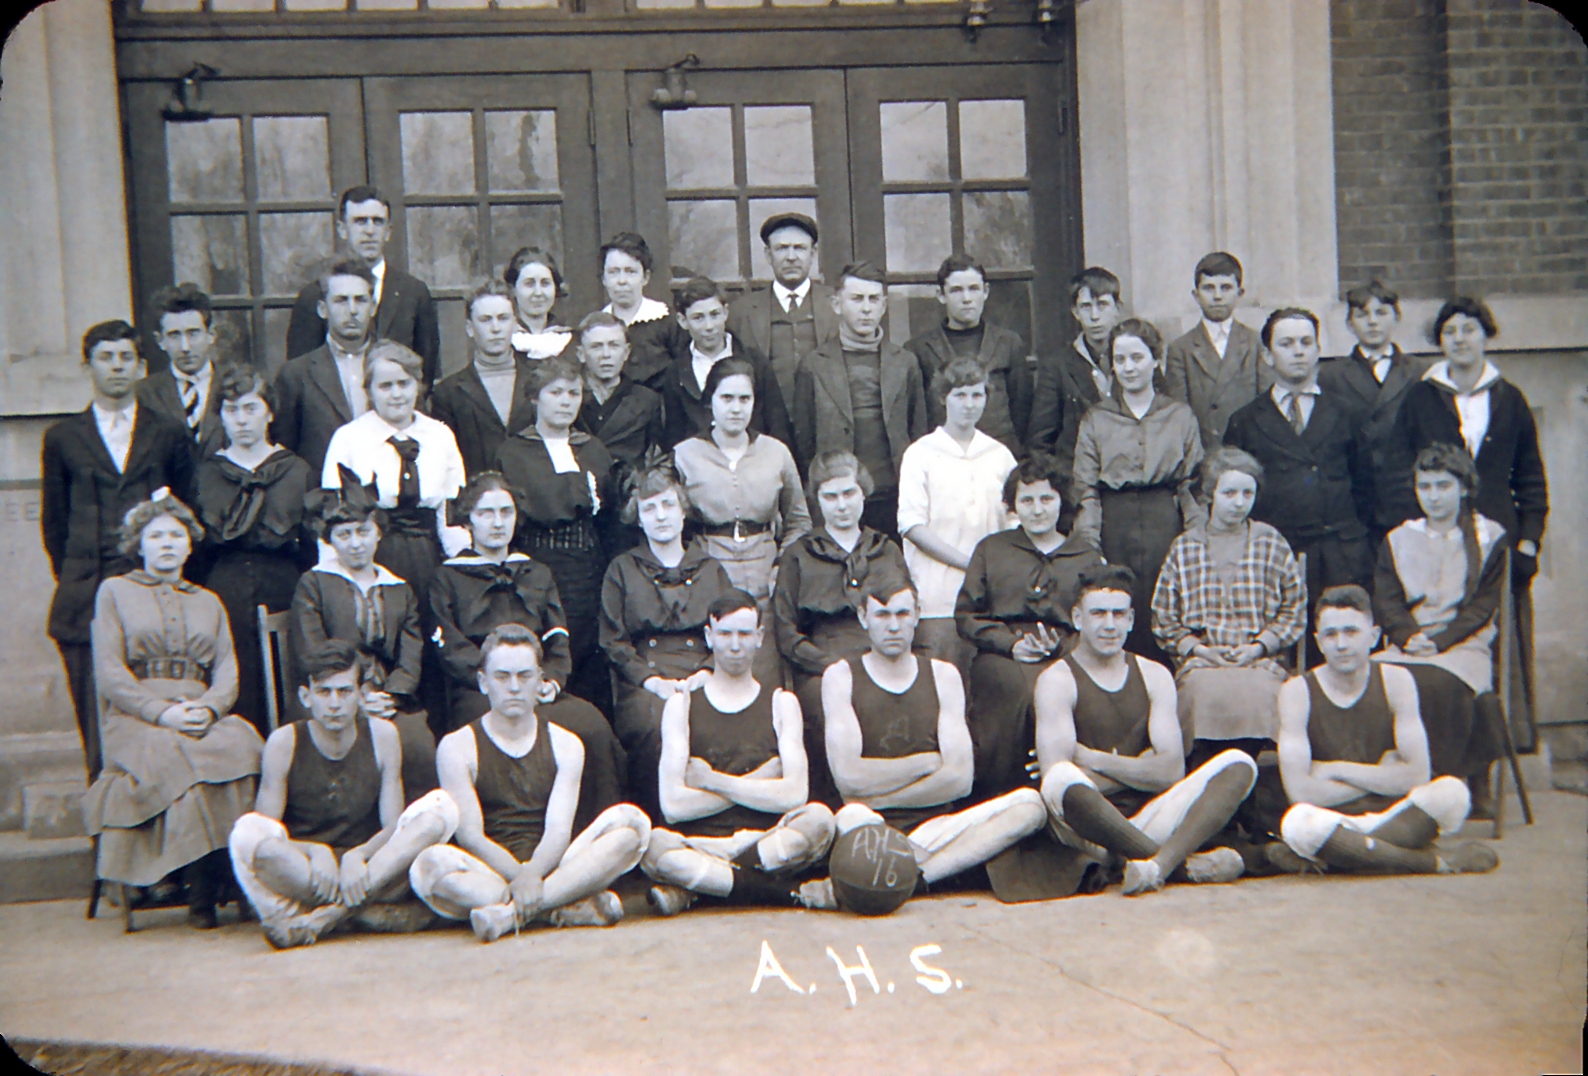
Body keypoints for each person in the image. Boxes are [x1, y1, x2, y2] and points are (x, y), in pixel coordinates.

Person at [80, 492, 264, 928]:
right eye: (156, 535)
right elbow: (110, 673)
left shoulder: (208, 600)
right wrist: (163, 714)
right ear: (138, 545)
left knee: (244, 745)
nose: (166, 544)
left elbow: (226, 672)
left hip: (199, 710)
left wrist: (210, 708)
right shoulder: (115, 592)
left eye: (175, 536)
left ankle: (233, 876)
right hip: (136, 718)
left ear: (189, 545)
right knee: (180, 752)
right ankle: (201, 888)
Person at [807, 576, 1047, 906]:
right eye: (882, 615)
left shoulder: (942, 674)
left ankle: (911, 879)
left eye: (903, 614)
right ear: (863, 618)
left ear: (918, 615)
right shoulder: (841, 675)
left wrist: (881, 793)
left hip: (936, 827)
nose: (894, 626)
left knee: (1029, 806)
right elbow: (848, 779)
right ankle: (916, 872)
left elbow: (960, 781)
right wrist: (926, 763)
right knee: (851, 817)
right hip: (870, 826)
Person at [409, 625, 652, 942]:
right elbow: (471, 836)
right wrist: (520, 878)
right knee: (429, 865)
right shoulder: (457, 746)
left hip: (553, 867)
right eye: (502, 677)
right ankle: (559, 908)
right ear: (483, 682)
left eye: (524, 676)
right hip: (491, 872)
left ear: (540, 681)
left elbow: (558, 831)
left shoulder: (566, 744)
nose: (513, 687)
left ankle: (510, 916)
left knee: (631, 827)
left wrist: (533, 875)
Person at [1032, 567, 1254, 895]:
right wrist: (1141, 766)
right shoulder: (1057, 679)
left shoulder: (1154, 674)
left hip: (1150, 813)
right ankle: (1178, 864)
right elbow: (1060, 780)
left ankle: (1153, 866)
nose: (1110, 625)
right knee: (1061, 778)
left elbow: (1171, 771)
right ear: (1078, 618)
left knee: (1239, 763)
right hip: (1088, 830)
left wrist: (1094, 758)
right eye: (1098, 613)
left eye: (1119, 614)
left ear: (1131, 619)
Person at [428, 472, 625, 831]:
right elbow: (450, 645)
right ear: (469, 519)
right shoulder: (449, 578)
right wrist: (498, 681)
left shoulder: (536, 572)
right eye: (486, 513)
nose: (498, 522)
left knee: (591, 725)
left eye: (506, 511)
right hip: (481, 692)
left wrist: (549, 679)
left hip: (537, 687)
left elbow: (557, 636)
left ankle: (597, 836)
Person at [1392, 296, 1547, 748]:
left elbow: (1533, 479)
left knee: (1499, 641)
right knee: (1444, 634)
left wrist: (1529, 544)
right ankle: (1450, 749)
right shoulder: (1421, 397)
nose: (1460, 339)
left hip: (1500, 541)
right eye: (1450, 331)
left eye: (1469, 329)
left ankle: (1503, 748)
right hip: (1437, 541)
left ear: (1486, 335)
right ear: (1439, 341)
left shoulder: (1509, 398)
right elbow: (1401, 472)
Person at [43, 321, 195, 778]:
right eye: (106, 358)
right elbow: (55, 527)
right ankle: (105, 835)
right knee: (97, 724)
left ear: (140, 365)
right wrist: (84, 574)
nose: (116, 367)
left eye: (125, 358)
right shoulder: (64, 438)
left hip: (153, 597)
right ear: (87, 365)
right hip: (85, 598)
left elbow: (187, 512)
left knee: (158, 715)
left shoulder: (166, 433)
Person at [228, 640, 454, 948]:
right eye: (324, 692)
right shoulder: (284, 742)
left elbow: (392, 827)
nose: (334, 704)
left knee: (441, 808)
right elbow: (267, 831)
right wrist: (315, 851)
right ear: (306, 696)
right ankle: (365, 913)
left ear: (361, 696)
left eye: (345, 692)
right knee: (246, 833)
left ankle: (327, 918)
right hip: (311, 875)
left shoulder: (382, 735)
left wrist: (357, 855)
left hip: (368, 869)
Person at [1267, 585, 1497, 877]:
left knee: (1452, 793)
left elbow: (1417, 775)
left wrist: (1334, 769)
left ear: (1373, 637)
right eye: (1330, 634)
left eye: (1351, 632)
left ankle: (1347, 854)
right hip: (1333, 819)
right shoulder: (1297, 691)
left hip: (1393, 812)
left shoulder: (1397, 681)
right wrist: (1384, 773)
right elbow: (1300, 792)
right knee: (1299, 823)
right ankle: (1430, 862)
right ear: (1319, 642)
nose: (1340, 644)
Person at [640, 591, 837, 915]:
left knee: (819, 820)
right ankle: (784, 893)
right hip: (703, 844)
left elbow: (794, 796)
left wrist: (712, 781)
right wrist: (759, 780)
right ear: (709, 636)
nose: (735, 645)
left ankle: (704, 889)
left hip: (768, 841)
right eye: (725, 634)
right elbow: (673, 806)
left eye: (744, 634)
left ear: (759, 638)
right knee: (653, 845)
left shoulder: (781, 702)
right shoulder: (682, 705)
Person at [1223, 308, 1376, 643]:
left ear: (1318, 349)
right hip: (1280, 555)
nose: (1298, 351)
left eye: (1306, 342)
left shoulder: (1348, 412)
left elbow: (1368, 488)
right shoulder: (1245, 421)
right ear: (1267, 355)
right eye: (1287, 343)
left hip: (1340, 554)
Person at [956, 455, 1105, 798]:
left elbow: (1094, 617)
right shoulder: (992, 549)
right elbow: (965, 616)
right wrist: (1011, 644)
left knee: (1069, 688)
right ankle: (1006, 793)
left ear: (1060, 502)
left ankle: (1070, 792)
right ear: (1013, 506)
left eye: (1046, 499)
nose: (1037, 510)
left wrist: (1064, 646)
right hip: (1004, 654)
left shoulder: (1084, 555)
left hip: (1068, 652)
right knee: (1019, 691)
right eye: (1027, 500)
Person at [1373, 446, 1508, 819]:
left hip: (1462, 644)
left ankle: (1438, 786)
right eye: (1425, 486)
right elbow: (1387, 599)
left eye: (1444, 486)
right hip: (1408, 643)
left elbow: (1482, 606)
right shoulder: (1399, 538)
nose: (1433, 496)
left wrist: (1440, 642)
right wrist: (1407, 635)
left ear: (1464, 488)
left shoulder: (1488, 537)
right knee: (1371, 678)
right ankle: (1383, 785)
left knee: (1436, 682)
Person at [598, 463, 736, 818]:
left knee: (722, 719)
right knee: (652, 726)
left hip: (703, 673)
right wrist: (651, 681)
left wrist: (708, 671)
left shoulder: (710, 568)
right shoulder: (622, 569)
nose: (660, 516)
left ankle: (716, 818)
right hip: (645, 680)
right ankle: (659, 823)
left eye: (668, 505)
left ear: (683, 511)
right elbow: (613, 641)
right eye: (649, 508)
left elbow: (728, 627)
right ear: (638, 518)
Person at [291, 471, 437, 804]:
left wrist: (390, 695)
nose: (355, 543)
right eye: (344, 535)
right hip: (333, 695)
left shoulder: (399, 588)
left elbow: (411, 653)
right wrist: (356, 696)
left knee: (416, 739)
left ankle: (413, 827)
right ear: (331, 540)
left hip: (387, 699)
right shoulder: (314, 584)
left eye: (363, 532)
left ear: (378, 534)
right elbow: (314, 652)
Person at [1150, 446, 1305, 758]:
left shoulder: (1270, 541)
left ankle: (1254, 789)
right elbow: (1164, 616)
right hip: (1204, 662)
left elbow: (1295, 607)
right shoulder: (1185, 547)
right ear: (1210, 494)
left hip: (1260, 661)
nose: (1239, 502)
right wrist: (1199, 648)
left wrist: (1260, 646)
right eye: (1229, 492)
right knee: (1201, 693)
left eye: (1247, 494)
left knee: (1263, 692)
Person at [773, 451, 909, 807]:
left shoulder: (885, 549)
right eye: (830, 497)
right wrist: (826, 665)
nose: (842, 505)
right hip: (824, 661)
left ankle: (900, 803)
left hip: (884, 655)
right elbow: (786, 629)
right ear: (817, 500)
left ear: (863, 494)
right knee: (825, 706)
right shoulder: (799, 554)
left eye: (849, 494)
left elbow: (908, 612)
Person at [1072, 319, 1204, 664]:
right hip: (1115, 522)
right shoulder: (1096, 419)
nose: (1128, 368)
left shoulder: (1179, 415)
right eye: (1120, 360)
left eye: (1137, 358)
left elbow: (1193, 484)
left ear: (1156, 360)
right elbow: (1085, 488)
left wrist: (1197, 541)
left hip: (1166, 521)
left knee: (1164, 610)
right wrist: (1091, 544)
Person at [192, 364, 312, 734]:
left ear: (269, 412)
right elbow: (196, 552)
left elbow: (311, 547)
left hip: (284, 588)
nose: (241, 420)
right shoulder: (206, 473)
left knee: (286, 678)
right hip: (223, 590)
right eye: (231, 410)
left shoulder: (297, 470)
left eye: (250, 408)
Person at [494, 356, 616, 714]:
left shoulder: (593, 449)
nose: (566, 401)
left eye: (574, 393)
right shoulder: (514, 451)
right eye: (556, 392)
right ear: (535, 398)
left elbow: (607, 515)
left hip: (587, 569)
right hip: (537, 564)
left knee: (586, 656)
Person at [321, 338, 470, 631]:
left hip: (430, 560)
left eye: (404, 383)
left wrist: (461, 569)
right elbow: (332, 521)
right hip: (373, 561)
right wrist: (338, 582)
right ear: (369, 392)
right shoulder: (349, 439)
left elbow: (453, 516)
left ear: (418, 386)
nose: (396, 394)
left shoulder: (440, 436)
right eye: (385, 386)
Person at [673, 357, 811, 662]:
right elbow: (671, 523)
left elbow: (799, 519)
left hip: (766, 567)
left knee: (767, 656)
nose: (736, 408)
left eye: (744, 399)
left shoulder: (776, 452)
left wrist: (782, 563)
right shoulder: (685, 455)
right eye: (726, 398)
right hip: (709, 567)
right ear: (710, 401)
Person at [896, 357, 1018, 674]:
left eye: (977, 395)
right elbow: (912, 526)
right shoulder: (921, 453)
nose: (969, 404)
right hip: (938, 598)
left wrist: (992, 570)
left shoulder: (1000, 455)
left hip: (991, 600)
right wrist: (969, 563)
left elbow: (1015, 522)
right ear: (943, 398)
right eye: (959, 395)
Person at [792, 261, 930, 537]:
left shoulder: (905, 362)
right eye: (856, 299)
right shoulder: (814, 365)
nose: (866, 308)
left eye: (873, 299)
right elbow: (804, 439)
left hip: (894, 493)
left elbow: (919, 431)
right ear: (836, 303)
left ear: (884, 306)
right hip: (838, 497)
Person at [286, 186, 440, 387]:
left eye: (378, 222)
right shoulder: (315, 295)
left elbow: (426, 374)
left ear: (388, 231)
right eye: (360, 222)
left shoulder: (414, 293)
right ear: (342, 229)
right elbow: (300, 376)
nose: (369, 231)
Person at [1317, 281, 1432, 548]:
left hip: (1408, 500)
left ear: (1397, 318)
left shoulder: (1419, 372)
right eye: (1362, 315)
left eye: (1381, 313)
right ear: (1349, 324)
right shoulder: (1331, 376)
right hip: (1358, 503)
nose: (1372, 322)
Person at [905, 254, 1032, 455]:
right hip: (944, 457)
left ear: (986, 291)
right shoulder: (919, 349)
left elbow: (1022, 409)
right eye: (956, 290)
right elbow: (917, 417)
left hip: (998, 454)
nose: (966, 299)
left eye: (973, 289)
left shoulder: (1008, 343)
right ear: (941, 295)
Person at [660, 276, 795, 451]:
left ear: (725, 312)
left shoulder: (755, 362)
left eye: (715, 315)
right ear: (682, 320)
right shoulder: (677, 371)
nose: (709, 326)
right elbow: (675, 435)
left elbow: (777, 425)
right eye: (698, 318)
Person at [273, 259, 378, 476]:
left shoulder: (395, 366)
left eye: (361, 300)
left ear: (373, 307)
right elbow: (284, 452)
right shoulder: (296, 375)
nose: (352, 310)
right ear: (323, 309)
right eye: (341, 301)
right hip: (324, 500)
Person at [428, 280, 539, 480]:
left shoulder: (539, 380)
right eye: (486, 320)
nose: (495, 328)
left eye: (503, 318)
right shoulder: (449, 392)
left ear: (515, 324)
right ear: (470, 328)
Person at [726, 212, 838, 409]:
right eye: (782, 248)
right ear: (768, 255)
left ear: (813, 254)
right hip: (764, 423)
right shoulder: (741, 313)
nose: (791, 257)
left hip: (824, 421)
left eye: (800, 248)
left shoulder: (838, 306)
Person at [1163, 251, 1269, 449]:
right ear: (1196, 295)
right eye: (1209, 288)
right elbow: (1179, 415)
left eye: (1226, 288)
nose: (1218, 296)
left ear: (1240, 293)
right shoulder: (1180, 349)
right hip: (1203, 452)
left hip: (1249, 450)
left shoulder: (1256, 343)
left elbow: (1266, 407)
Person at [1028, 267, 1125, 476]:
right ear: (1075, 312)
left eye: (1102, 305)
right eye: (1086, 307)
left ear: (1117, 308)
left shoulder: (1136, 358)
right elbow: (1041, 439)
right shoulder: (1058, 366)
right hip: (1078, 479)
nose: (1094, 316)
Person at [136, 282, 226, 456]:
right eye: (174, 335)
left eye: (193, 333)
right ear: (160, 340)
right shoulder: (144, 394)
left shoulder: (233, 385)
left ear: (211, 335)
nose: (185, 347)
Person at [573, 310, 667, 472]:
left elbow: (656, 458)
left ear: (626, 352)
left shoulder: (647, 401)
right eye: (596, 347)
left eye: (614, 345)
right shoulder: (568, 397)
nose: (606, 355)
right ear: (581, 354)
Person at [598, 232, 688, 394]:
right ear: (604, 279)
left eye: (630, 271)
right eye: (613, 272)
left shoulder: (668, 322)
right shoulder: (596, 327)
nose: (622, 281)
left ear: (645, 277)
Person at [503, 246, 574, 362]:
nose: (538, 292)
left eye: (545, 283)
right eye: (529, 284)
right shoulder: (503, 341)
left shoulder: (570, 341)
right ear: (513, 289)